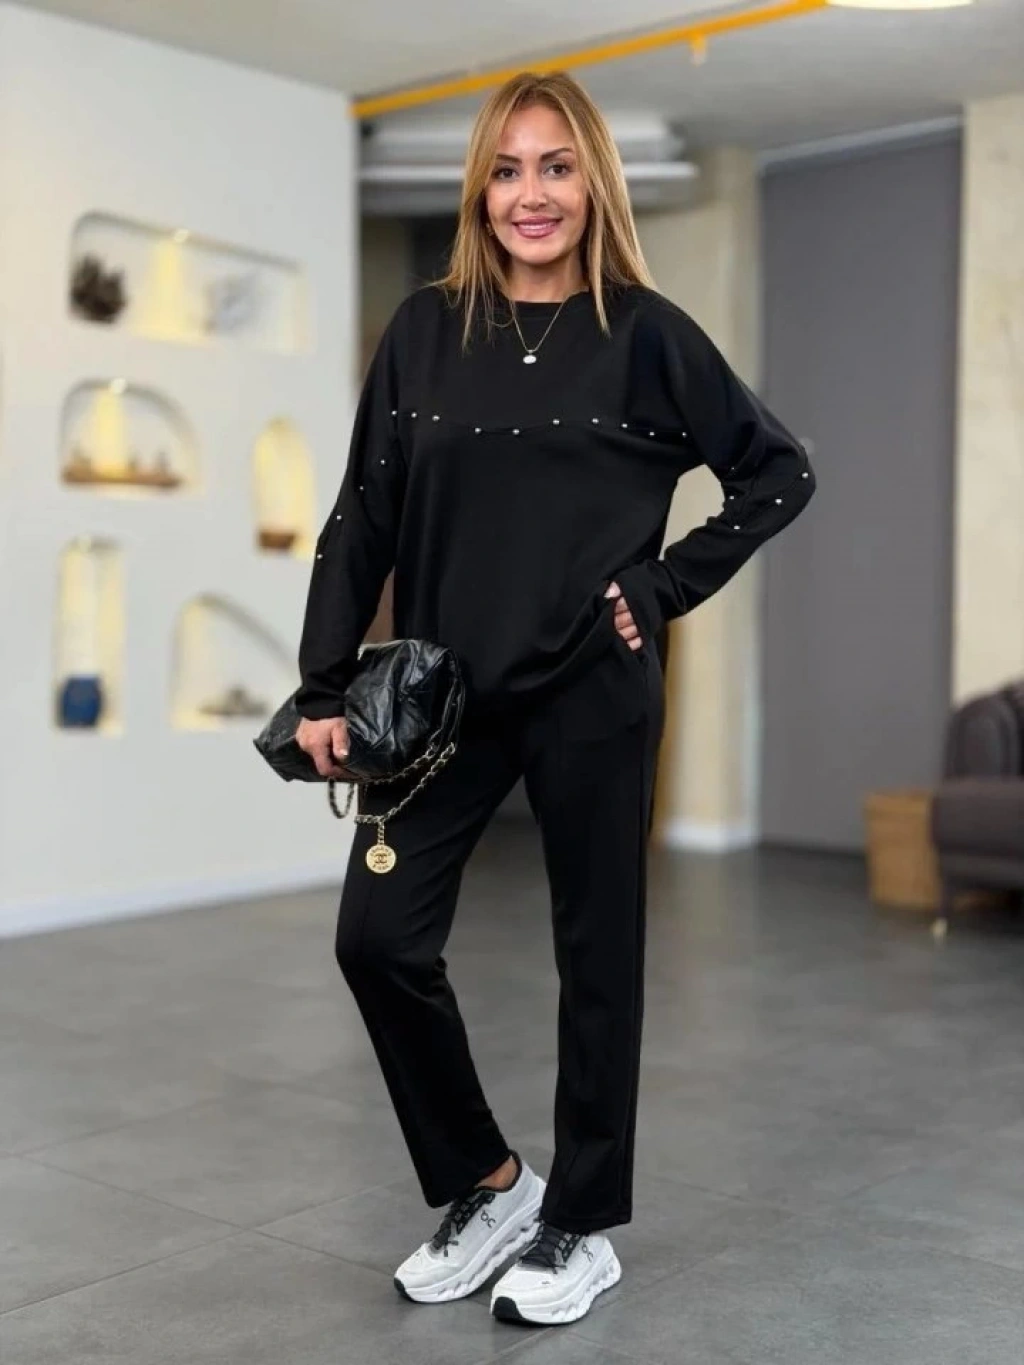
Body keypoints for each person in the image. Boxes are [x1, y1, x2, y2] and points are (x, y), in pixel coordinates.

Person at [294, 69, 816, 1327]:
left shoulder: (647, 335)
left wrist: (665, 584)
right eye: (507, 169)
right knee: (377, 940)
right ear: (481, 189)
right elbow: (362, 519)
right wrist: (320, 682)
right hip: (439, 701)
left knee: (597, 960)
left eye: (557, 166)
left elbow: (777, 472)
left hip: (593, 691)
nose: (530, 194)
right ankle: (490, 1185)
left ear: (594, 184)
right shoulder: (424, 330)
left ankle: (579, 1222)